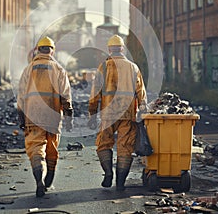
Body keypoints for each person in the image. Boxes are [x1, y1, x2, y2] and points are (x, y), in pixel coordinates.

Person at [88, 34, 147, 191]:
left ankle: (108, 173)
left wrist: (92, 113)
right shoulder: (133, 67)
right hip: (128, 114)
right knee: (125, 147)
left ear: (109, 50)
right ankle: (120, 183)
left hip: (108, 113)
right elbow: (141, 92)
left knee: (103, 143)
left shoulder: (104, 67)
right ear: (122, 49)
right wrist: (142, 110)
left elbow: (95, 94)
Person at [17, 36, 74, 198]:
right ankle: (49, 180)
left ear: (38, 50)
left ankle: (39, 181)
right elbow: (65, 96)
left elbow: (21, 96)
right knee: (51, 149)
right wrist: (69, 116)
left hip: (32, 116)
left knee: (36, 149)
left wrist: (21, 117)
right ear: (52, 50)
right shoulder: (58, 69)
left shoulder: (28, 69)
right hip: (53, 117)